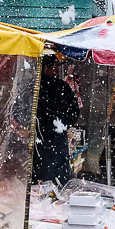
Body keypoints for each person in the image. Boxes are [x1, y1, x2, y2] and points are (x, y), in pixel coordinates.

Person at [33, 59, 81, 187]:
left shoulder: (60, 87)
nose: (56, 69)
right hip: (43, 140)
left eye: (57, 66)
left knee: (49, 175)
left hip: (52, 140)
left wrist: (61, 125)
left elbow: (74, 111)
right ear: (44, 67)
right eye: (53, 66)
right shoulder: (35, 87)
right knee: (46, 176)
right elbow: (73, 112)